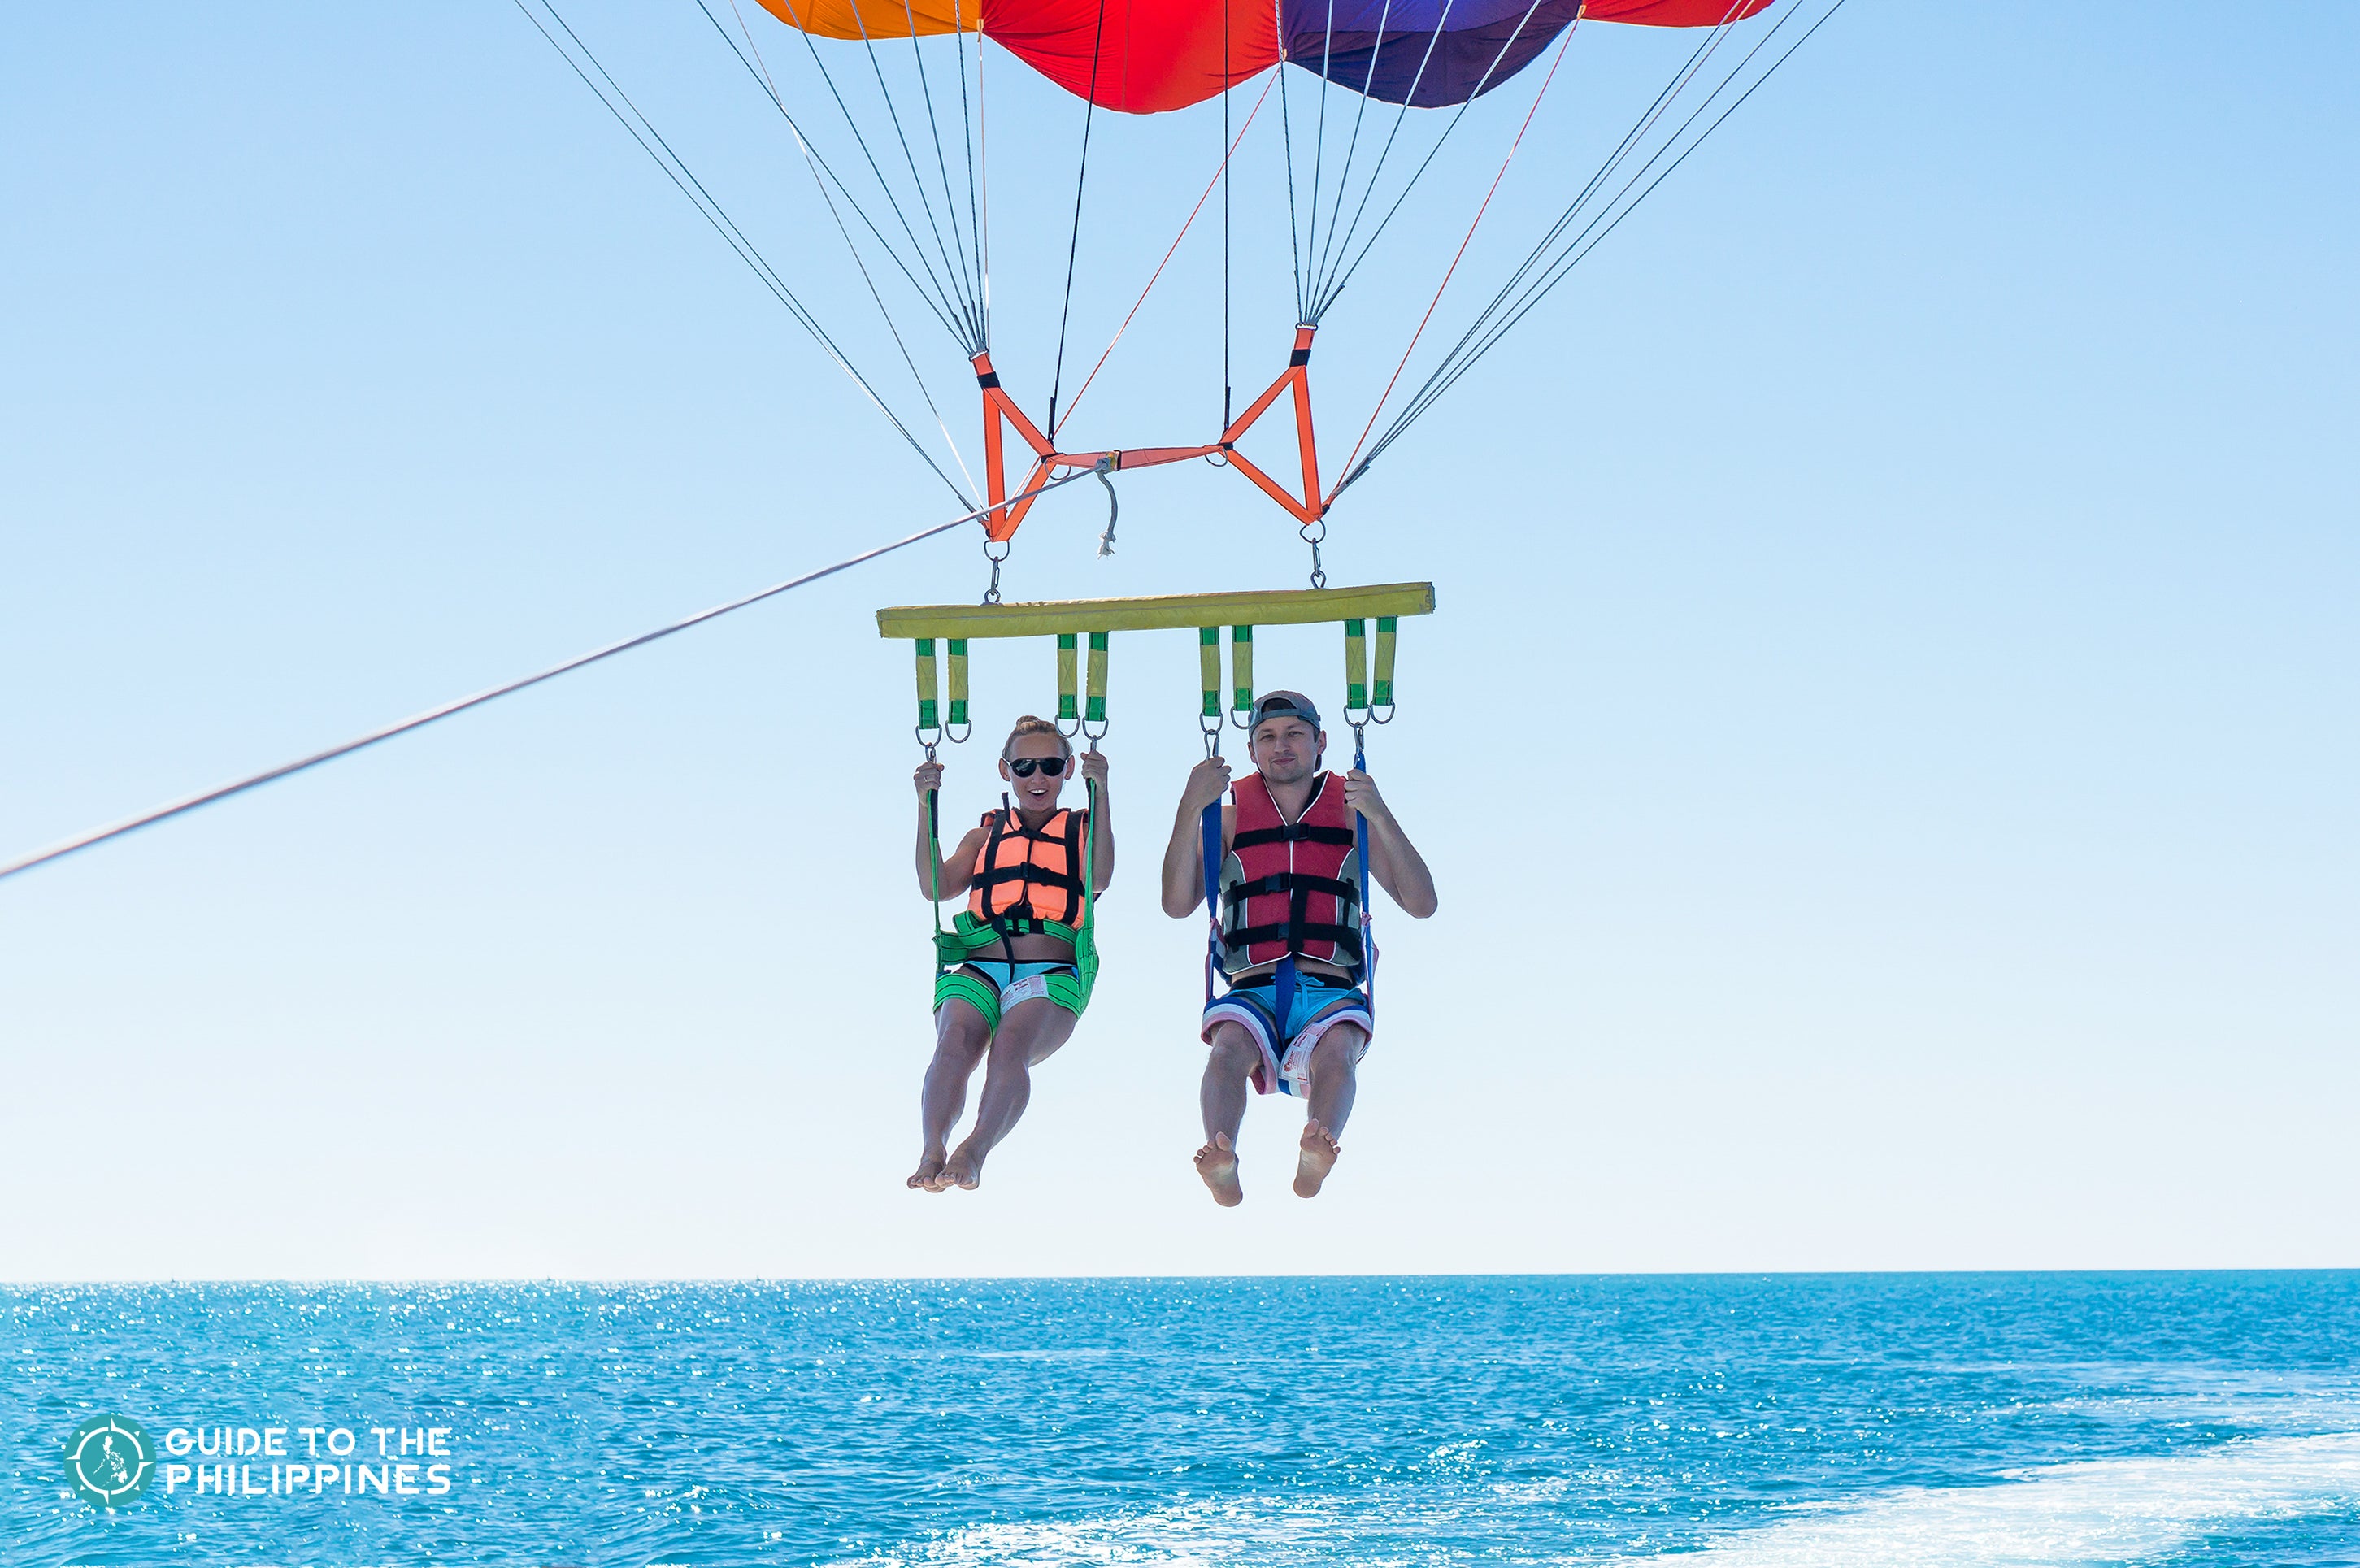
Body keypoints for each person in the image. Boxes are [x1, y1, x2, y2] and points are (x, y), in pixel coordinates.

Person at [1159, 691, 1436, 1205]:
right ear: (1251, 750)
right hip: (1252, 990)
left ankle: (1318, 1148)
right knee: (1228, 1048)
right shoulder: (1232, 816)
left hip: (1331, 989)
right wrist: (1190, 807)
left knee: (1338, 1050)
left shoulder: (1351, 813)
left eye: (1293, 734)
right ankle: (1222, 1155)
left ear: (1320, 742)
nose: (1280, 746)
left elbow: (1422, 903)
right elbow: (1177, 904)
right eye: (1267, 736)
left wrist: (1380, 814)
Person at [910, 716, 1114, 1192]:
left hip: (1053, 970)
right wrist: (925, 806)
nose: (1037, 777)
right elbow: (934, 886)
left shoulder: (1081, 830)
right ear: (1006, 771)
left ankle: (975, 1148)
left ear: (1067, 771)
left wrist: (1100, 792)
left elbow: (1098, 877)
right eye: (1025, 766)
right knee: (954, 1044)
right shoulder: (984, 836)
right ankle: (932, 1146)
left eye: (1050, 765)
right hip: (980, 966)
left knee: (1009, 1049)